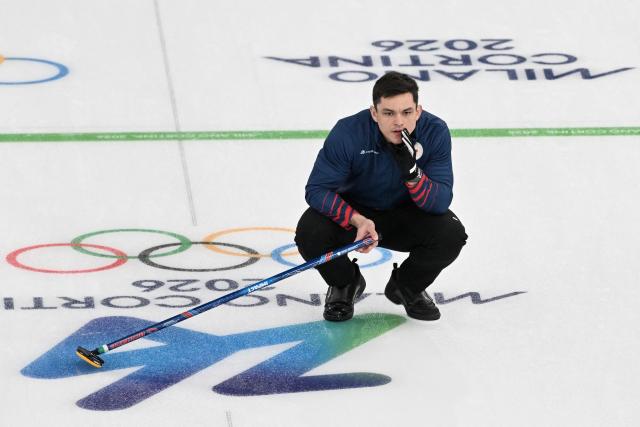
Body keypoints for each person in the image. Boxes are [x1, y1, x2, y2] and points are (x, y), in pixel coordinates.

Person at [295, 71, 468, 322]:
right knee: (310, 232)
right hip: (357, 211)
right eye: (388, 113)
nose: (399, 121)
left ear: (418, 111)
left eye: (407, 112)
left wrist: (412, 174)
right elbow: (317, 189)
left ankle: (407, 285)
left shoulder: (435, 132)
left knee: (451, 235)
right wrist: (357, 220)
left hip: (408, 213)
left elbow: (440, 201)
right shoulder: (348, 132)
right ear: (374, 113)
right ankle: (345, 283)